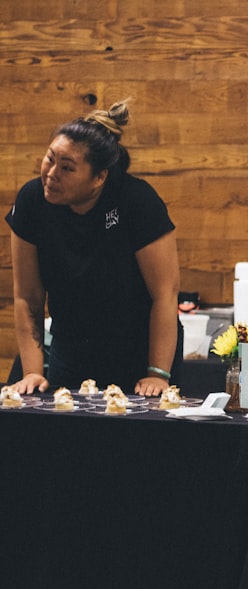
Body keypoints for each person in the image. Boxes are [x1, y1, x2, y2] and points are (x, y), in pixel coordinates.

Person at [6, 99, 182, 397]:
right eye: (49, 159)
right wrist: (33, 372)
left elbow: (165, 293)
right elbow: (27, 297)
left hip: (139, 352)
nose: (51, 174)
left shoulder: (136, 201)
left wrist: (157, 374)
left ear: (99, 178)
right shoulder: (31, 201)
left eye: (67, 168)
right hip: (71, 347)